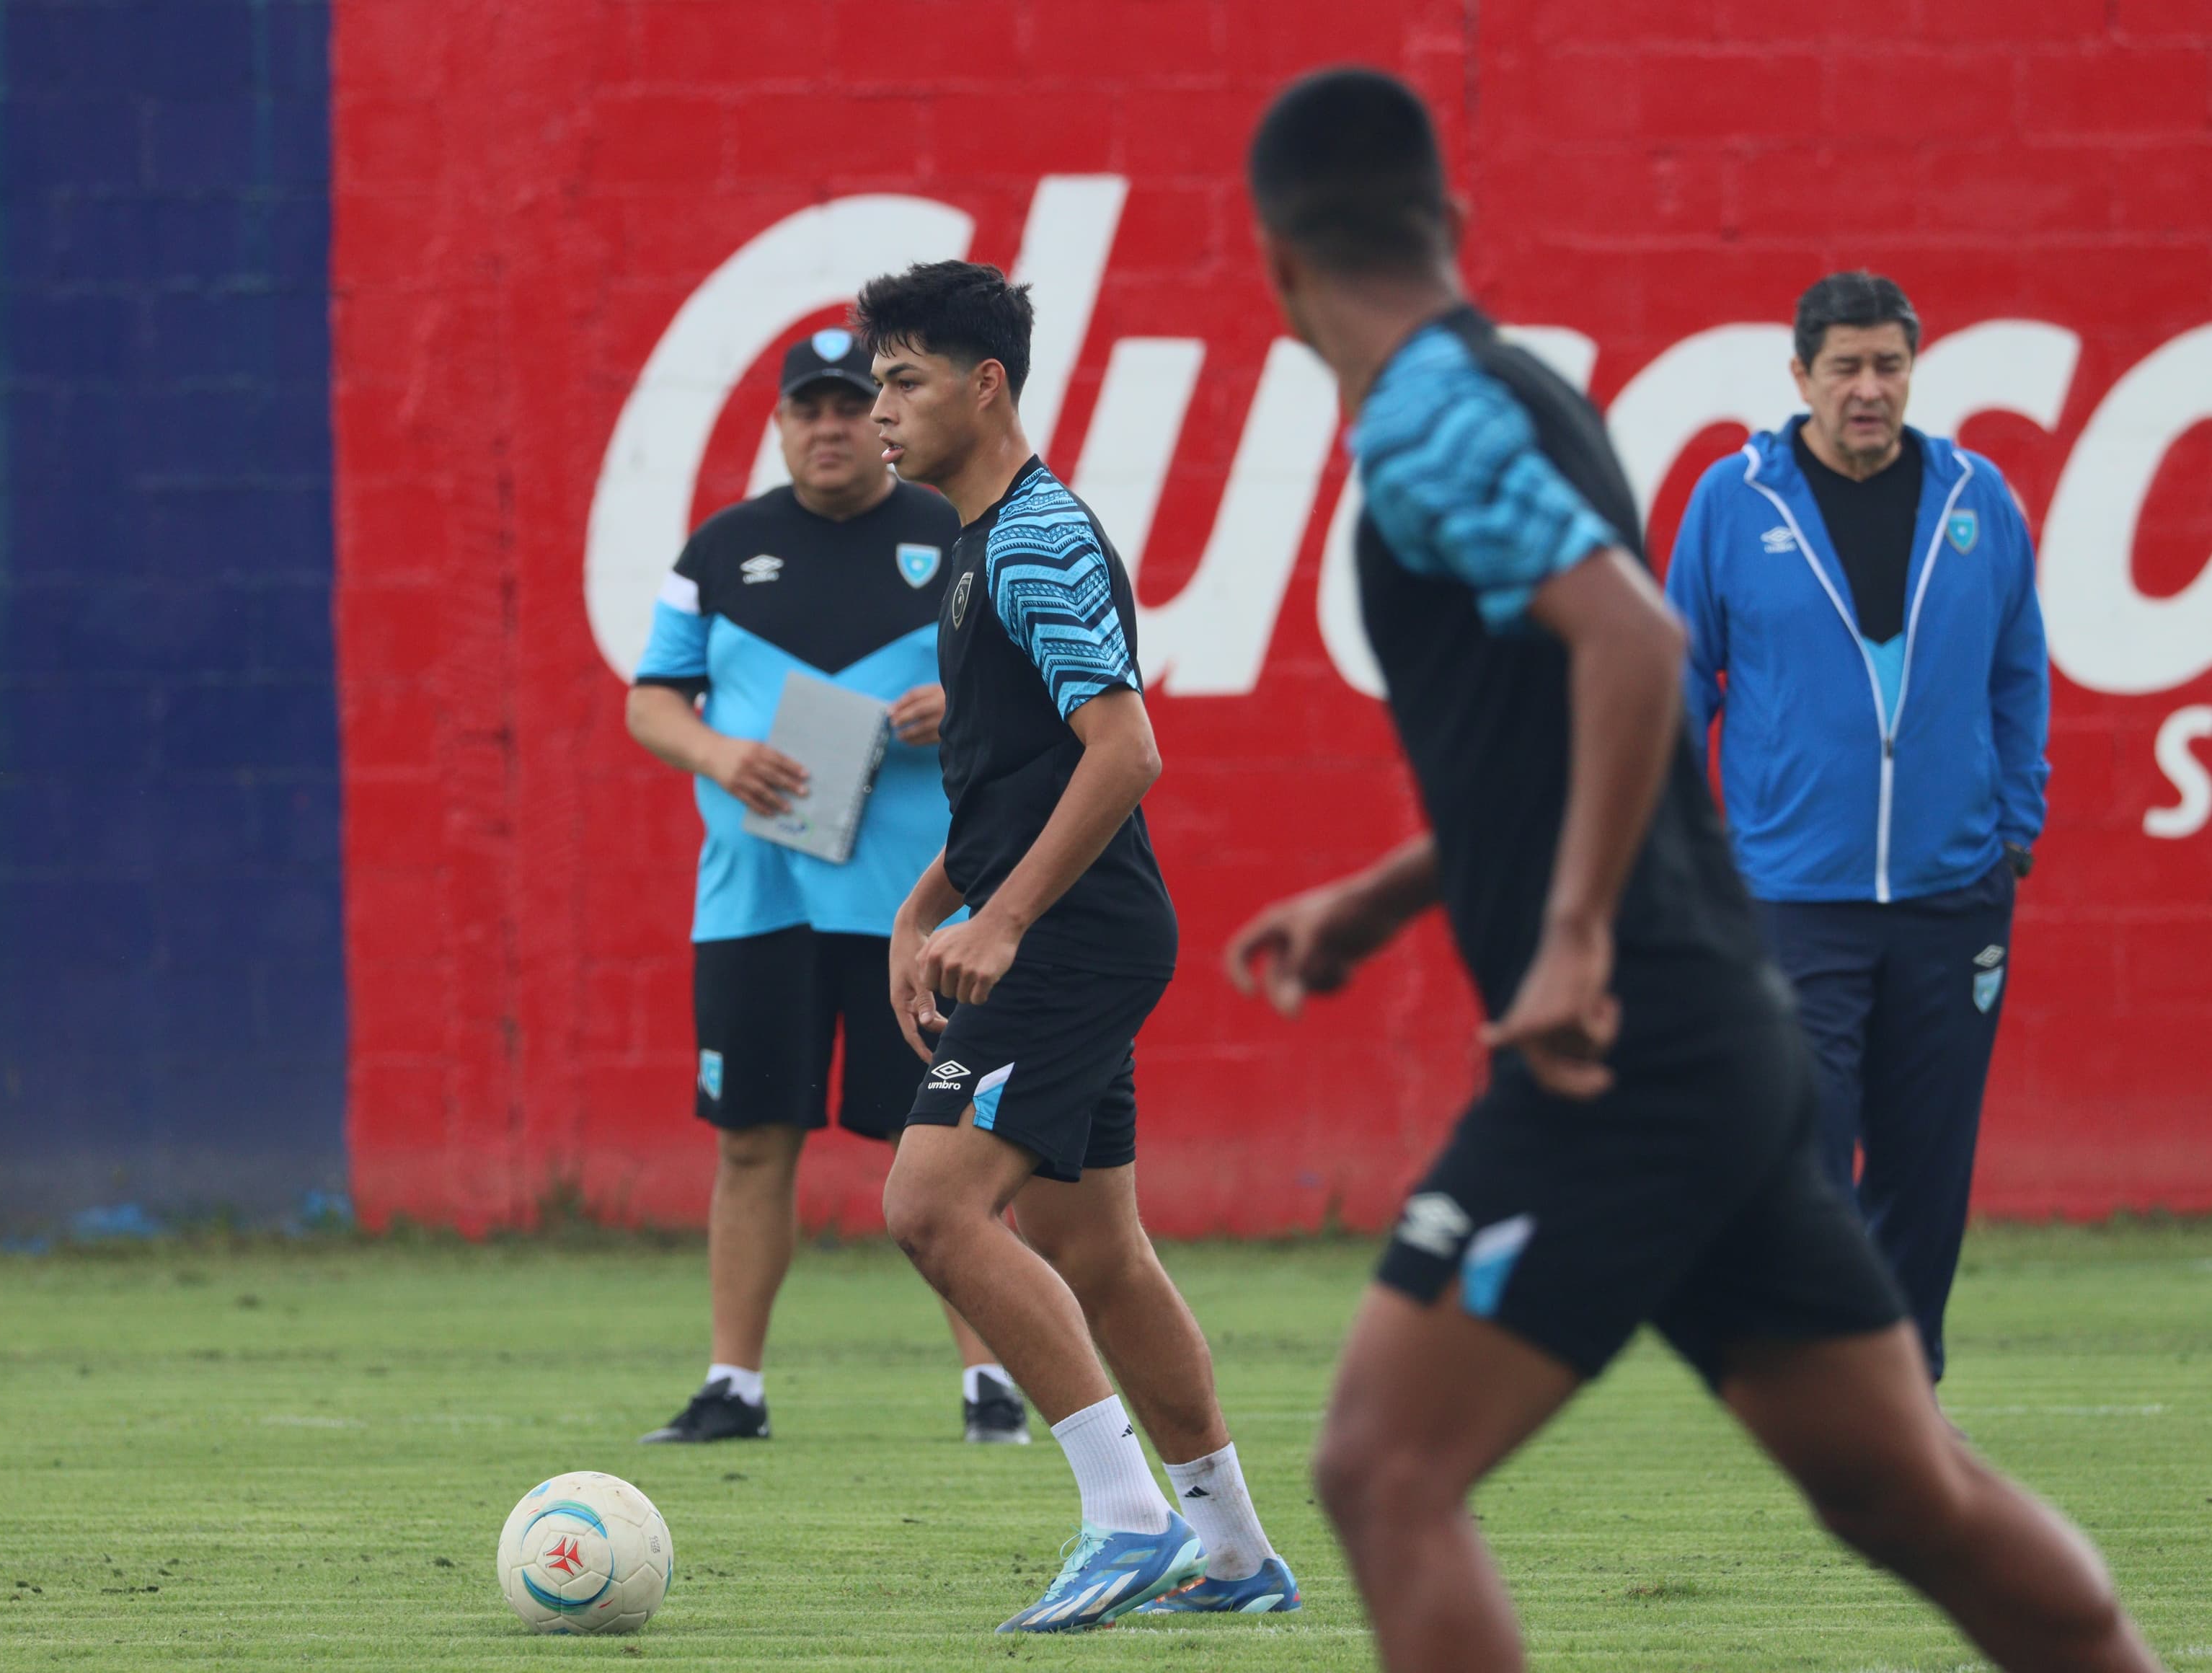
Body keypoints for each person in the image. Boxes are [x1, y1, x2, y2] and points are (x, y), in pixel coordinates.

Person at [1226, 66, 2161, 1673]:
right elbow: (1582, 727)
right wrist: (1392, 892)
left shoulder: (1428, 423)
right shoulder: (1528, 392)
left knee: (1381, 1470)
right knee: (1905, 1491)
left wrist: (1575, 935)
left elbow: (1635, 646)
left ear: (1279, 269)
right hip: (1723, 1030)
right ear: (1450, 224)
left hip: (1633, 1046)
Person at [854, 260, 1298, 1632]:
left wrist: (1004, 917)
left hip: (1075, 935)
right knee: (1095, 1253)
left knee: (928, 1207)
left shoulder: (1038, 537)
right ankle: (1234, 1557)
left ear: (987, 386)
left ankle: (1124, 1517)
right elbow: (1025, 769)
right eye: (876, 381)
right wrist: (929, 902)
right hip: (1062, 926)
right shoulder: (982, 540)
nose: (881, 409)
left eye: (905, 380)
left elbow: (1127, 751)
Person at [626, 330, 1028, 1447]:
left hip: (918, 909)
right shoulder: (723, 548)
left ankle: (991, 1383)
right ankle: (734, 1386)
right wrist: (721, 755)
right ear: (783, 421)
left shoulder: (953, 532)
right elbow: (651, 700)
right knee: (753, 1137)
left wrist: (964, 701)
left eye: (857, 404)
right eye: (812, 408)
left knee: (946, 1142)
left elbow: (1038, 682)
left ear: (883, 416)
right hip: (759, 898)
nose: (835, 426)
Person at [1663, 272, 2049, 1383]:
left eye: (1889, 365)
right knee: (1805, 1150)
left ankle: (1903, 1394)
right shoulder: (1734, 503)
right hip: (1793, 897)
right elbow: (1683, 680)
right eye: (1846, 368)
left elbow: (2019, 672)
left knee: (1927, 1174)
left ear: (1913, 371)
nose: (1869, 389)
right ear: (1802, 376)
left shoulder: (1980, 500)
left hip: (1953, 895)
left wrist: (2017, 819)